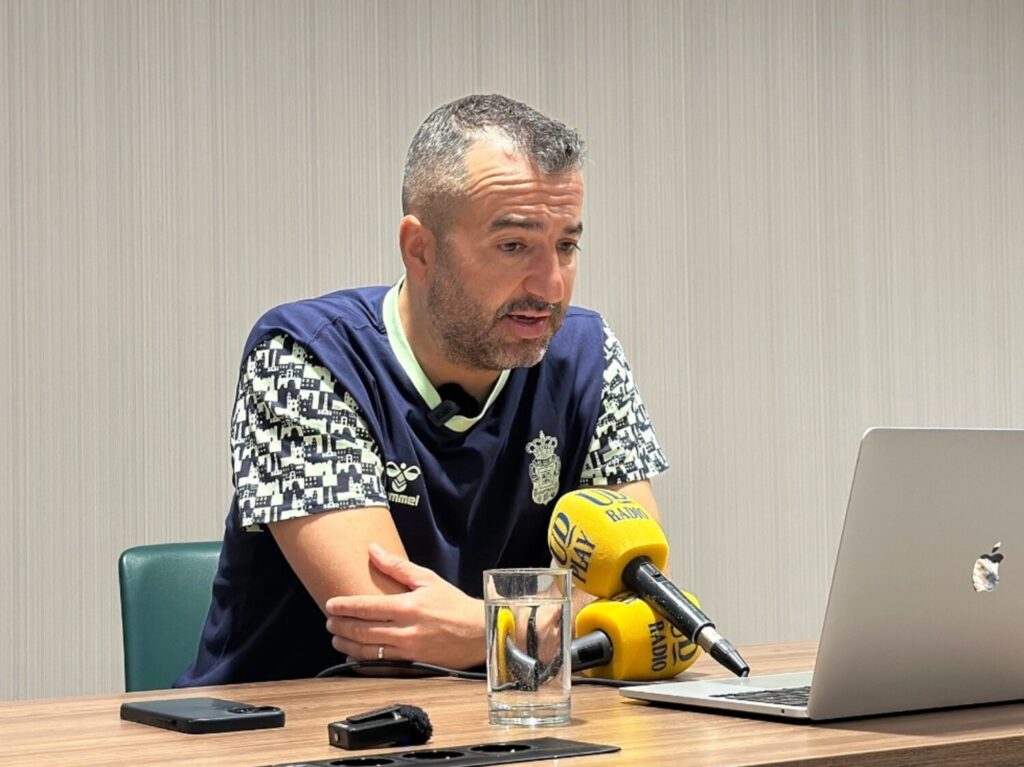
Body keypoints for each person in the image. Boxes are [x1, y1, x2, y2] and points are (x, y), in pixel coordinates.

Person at [176, 94, 669, 687]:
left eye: (566, 245)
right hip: (287, 735)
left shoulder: (587, 354)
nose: (550, 285)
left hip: (501, 731)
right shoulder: (304, 355)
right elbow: (389, 633)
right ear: (421, 249)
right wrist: (553, 623)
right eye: (514, 246)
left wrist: (476, 626)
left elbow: (645, 611)